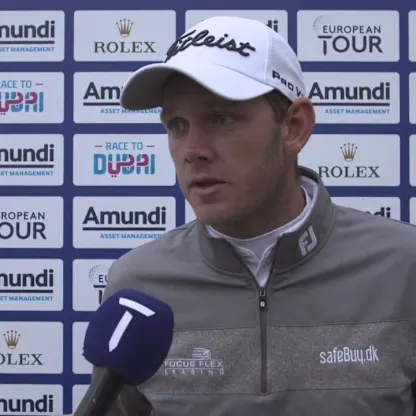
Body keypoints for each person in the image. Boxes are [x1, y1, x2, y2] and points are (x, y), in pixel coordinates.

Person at [75, 16, 416, 416]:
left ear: (294, 127)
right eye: (177, 125)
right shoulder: (138, 286)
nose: (193, 150)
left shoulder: (404, 266)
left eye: (220, 118)